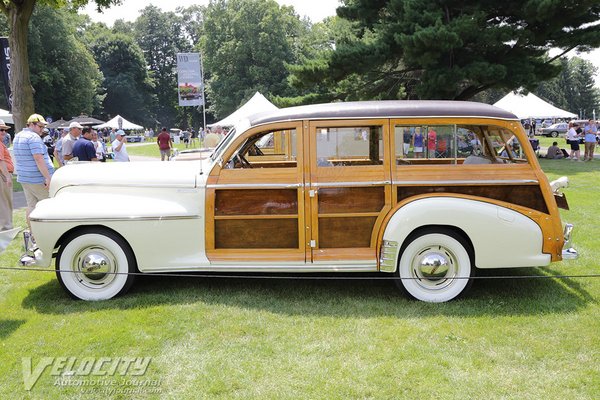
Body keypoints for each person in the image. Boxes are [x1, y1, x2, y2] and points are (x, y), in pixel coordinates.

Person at [12, 114, 54, 231]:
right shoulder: (33, 138)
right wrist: (48, 177)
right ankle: (47, 234)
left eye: (43, 127)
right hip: (37, 178)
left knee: (31, 206)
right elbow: (38, 158)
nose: (42, 129)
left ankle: (33, 234)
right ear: (31, 124)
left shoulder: (18, 136)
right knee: (48, 206)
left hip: (24, 177)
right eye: (40, 126)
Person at [0, 119, 14, 231]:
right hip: (2, 174)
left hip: (3, 174)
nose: (4, 132)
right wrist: (7, 176)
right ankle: (6, 227)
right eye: (1, 130)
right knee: (5, 201)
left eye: (4, 130)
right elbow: (1, 161)